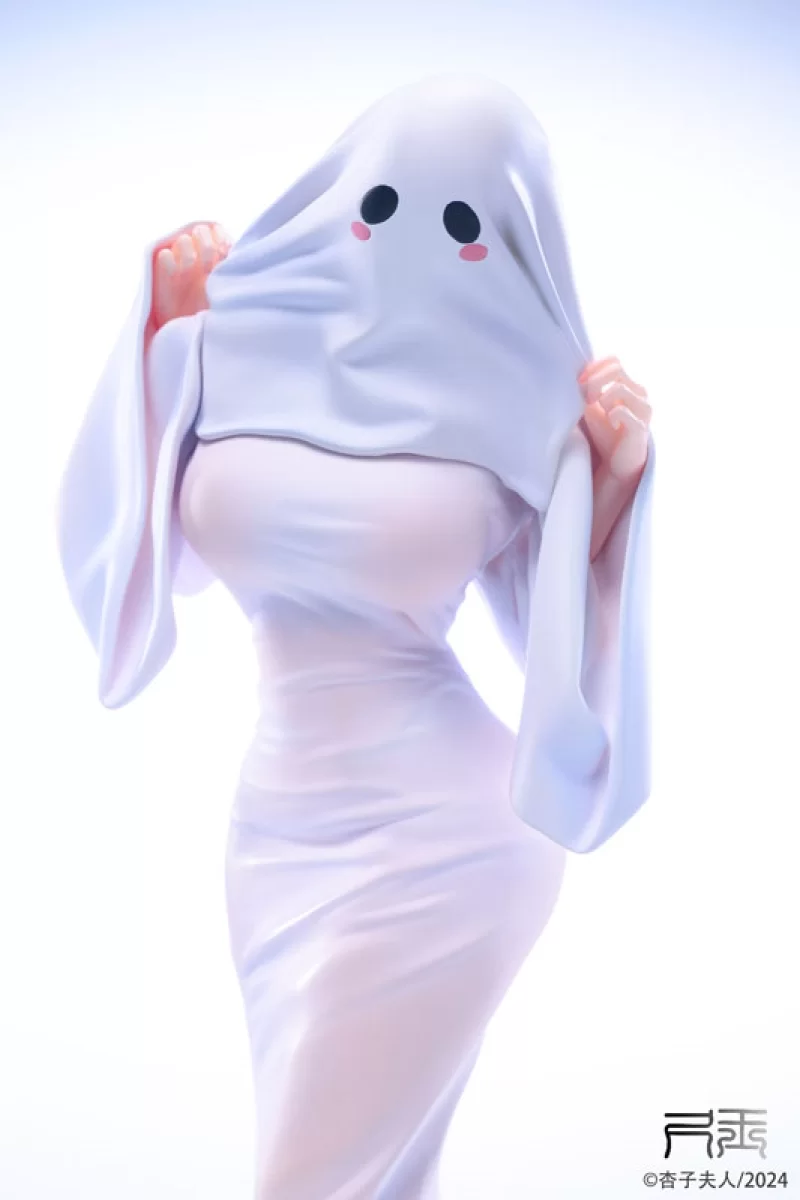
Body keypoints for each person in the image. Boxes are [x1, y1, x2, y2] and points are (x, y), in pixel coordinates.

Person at [58, 73, 654, 1199]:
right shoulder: (233, 349)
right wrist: (159, 336)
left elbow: (560, 644)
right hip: (274, 830)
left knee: (308, 1177)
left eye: (469, 217)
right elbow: (152, 564)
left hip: (449, 844)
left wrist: (613, 487)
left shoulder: (529, 406)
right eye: (380, 198)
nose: (416, 232)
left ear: (516, 239)